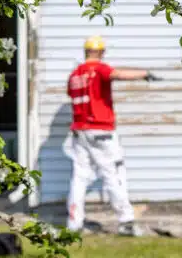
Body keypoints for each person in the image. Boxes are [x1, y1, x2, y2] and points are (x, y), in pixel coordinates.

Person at [65, 35, 161, 236]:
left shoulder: (75, 74)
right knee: (113, 174)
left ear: (85, 51)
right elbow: (116, 74)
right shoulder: (99, 69)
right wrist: (144, 74)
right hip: (101, 131)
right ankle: (126, 221)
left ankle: (74, 223)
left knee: (79, 177)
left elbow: (72, 94)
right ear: (101, 52)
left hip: (79, 131)